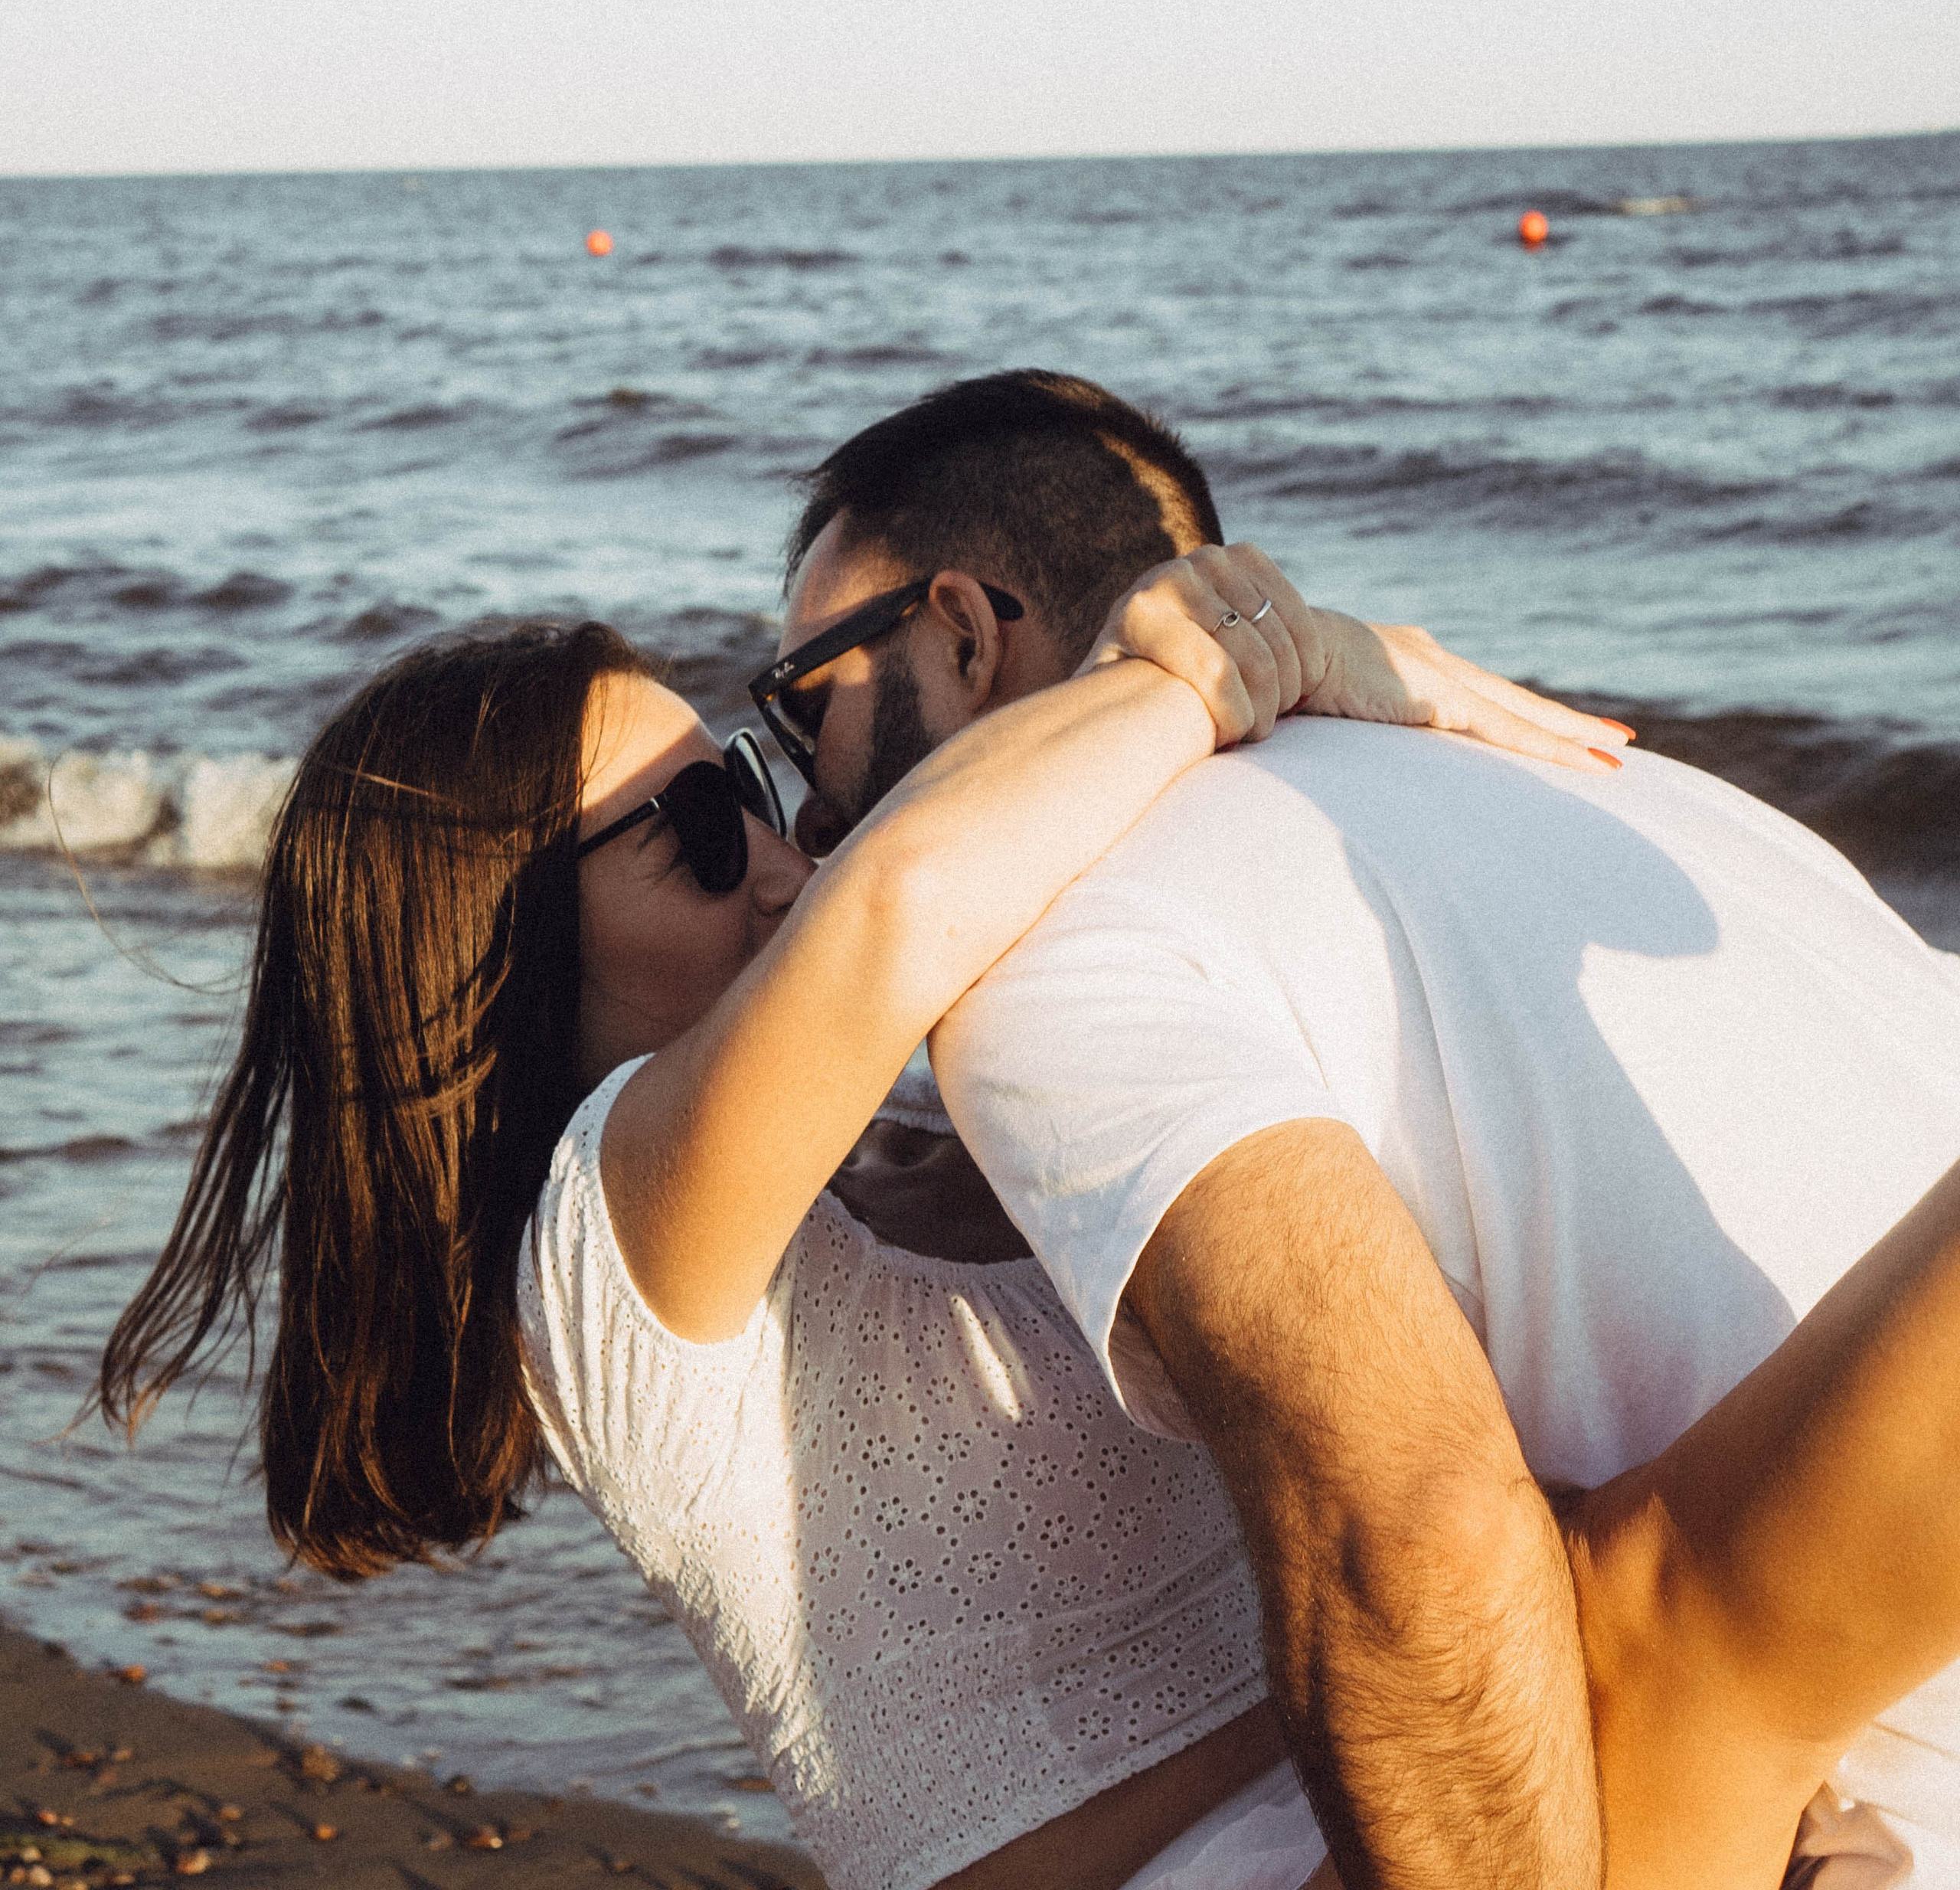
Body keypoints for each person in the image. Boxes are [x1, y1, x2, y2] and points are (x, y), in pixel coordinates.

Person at [97, 548, 1622, 1890]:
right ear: (499, 954)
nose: (785, 866)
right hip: (1294, 1845)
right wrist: (1220, 661)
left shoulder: (915, 1136)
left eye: (750, 793)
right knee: (1679, 1561)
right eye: (701, 832)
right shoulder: (602, 1249)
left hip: (1406, 1806)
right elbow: (897, 903)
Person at [767, 368, 1960, 1889]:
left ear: (960, 631)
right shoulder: (1599, 778)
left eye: (802, 704)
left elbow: (1415, 1541)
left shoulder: (1062, 941)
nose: (806, 814)